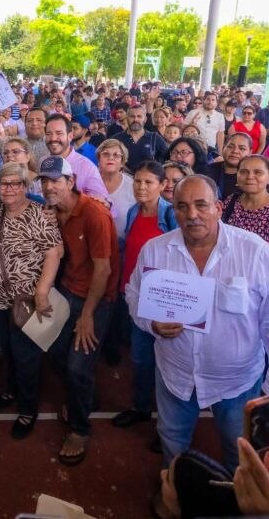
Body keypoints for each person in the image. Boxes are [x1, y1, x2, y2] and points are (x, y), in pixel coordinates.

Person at [125, 175, 269, 470]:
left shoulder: (256, 252)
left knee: (239, 449)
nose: (192, 215)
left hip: (237, 381)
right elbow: (133, 294)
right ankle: (177, 495)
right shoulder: (155, 250)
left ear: (218, 207)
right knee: (172, 441)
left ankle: (234, 499)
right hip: (175, 374)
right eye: (182, 206)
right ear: (174, 211)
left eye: (201, 205)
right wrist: (151, 324)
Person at [38, 155, 119, 466]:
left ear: (71, 181)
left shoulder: (95, 214)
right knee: (56, 352)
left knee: (75, 366)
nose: (48, 186)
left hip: (96, 299)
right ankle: (85, 395)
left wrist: (87, 316)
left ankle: (80, 429)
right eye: (44, 180)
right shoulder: (56, 210)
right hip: (69, 290)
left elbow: (103, 270)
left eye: (55, 180)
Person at [0, 161, 63, 433]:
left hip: (27, 299)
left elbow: (54, 253)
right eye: (4, 184)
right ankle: (13, 390)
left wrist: (41, 291)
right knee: (8, 350)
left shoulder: (40, 213)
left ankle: (28, 409)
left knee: (25, 356)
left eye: (15, 183)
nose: (9, 189)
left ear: (25, 186)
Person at [112, 160, 176, 432]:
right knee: (140, 359)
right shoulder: (132, 212)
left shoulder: (171, 215)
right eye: (137, 181)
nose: (141, 187)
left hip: (163, 299)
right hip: (136, 295)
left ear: (162, 185)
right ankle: (141, 407)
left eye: (148, 182)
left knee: (167, 365)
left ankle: (169, 423)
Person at [110, 104, 168, 173]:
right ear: (127, 118)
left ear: (145, 119)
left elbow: (167, 160)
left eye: (139, 116)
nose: (135, 119)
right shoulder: (116, 139)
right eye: (132, 116)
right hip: (123, 181)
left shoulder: (155, 138)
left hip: (147, 181)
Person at [97, 139, 134, 238]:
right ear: (98, 159)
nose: (111, 158)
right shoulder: (89, 181)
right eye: (105, 154)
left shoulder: (132, 186)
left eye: (116, 155)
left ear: (122, 162)